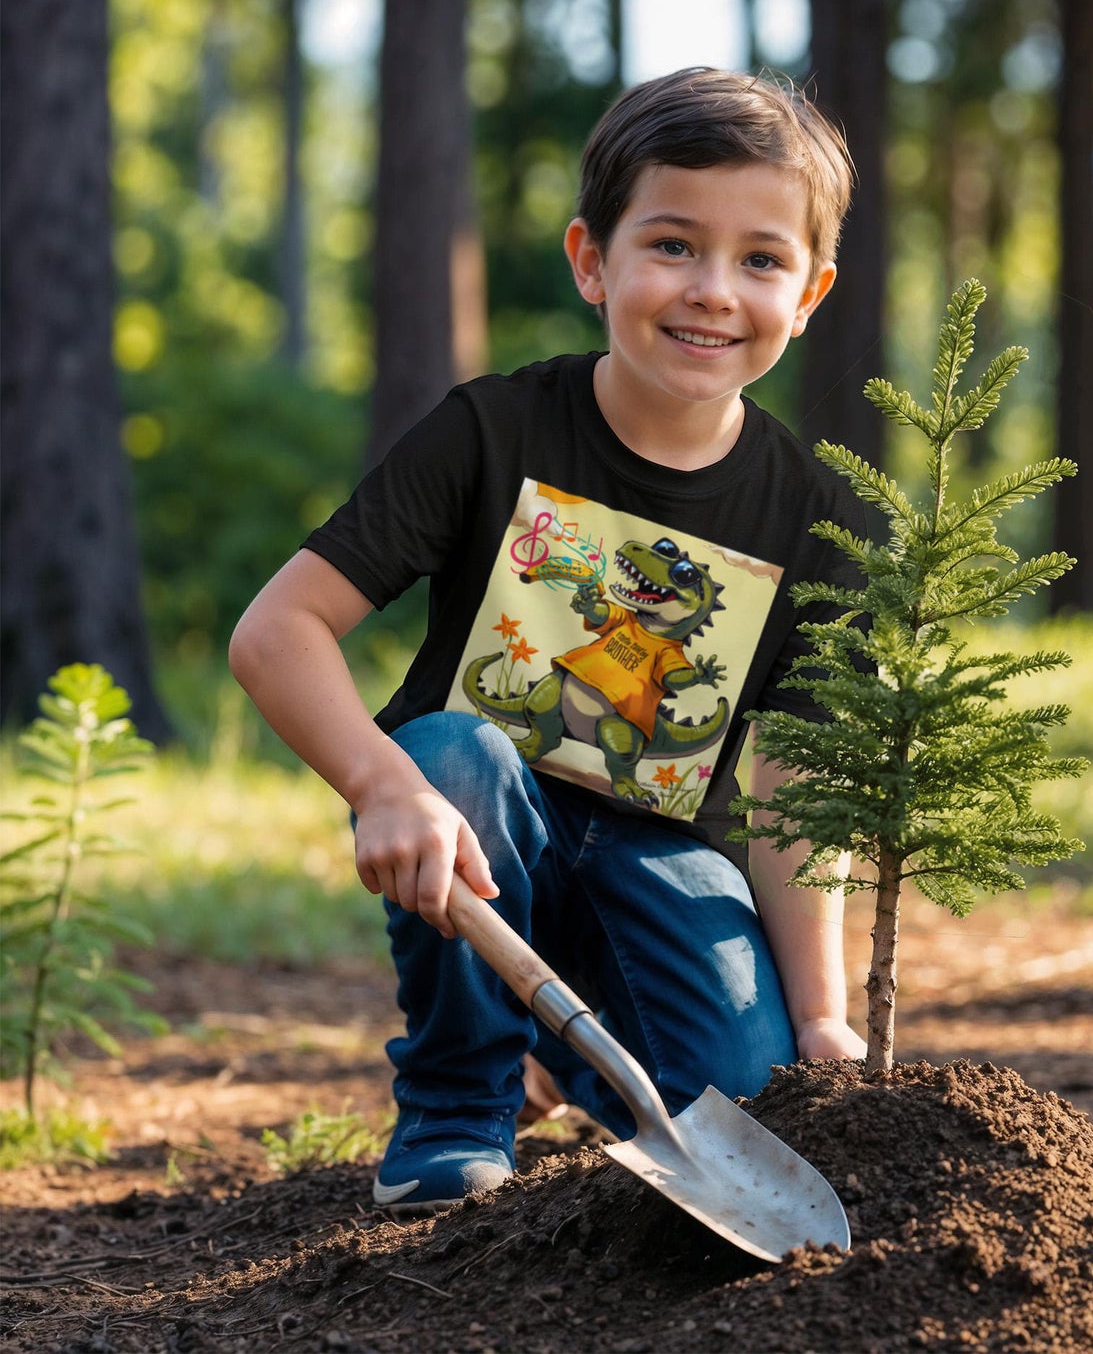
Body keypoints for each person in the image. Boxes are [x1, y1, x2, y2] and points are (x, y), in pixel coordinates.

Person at [229, 66, 868, 1214]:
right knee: (456, 755)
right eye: (671, 244)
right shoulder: (493, 429)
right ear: (591, 259)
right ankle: (456, 1100)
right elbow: (278, 631)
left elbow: (796, 777)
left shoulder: (808, 515)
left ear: (810, 289)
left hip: (662, 854)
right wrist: (382, 783)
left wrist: (821, 1012)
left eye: (760, 259)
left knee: (745, 1086)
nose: (712, 290)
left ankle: (568, 1053)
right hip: (479, 829)